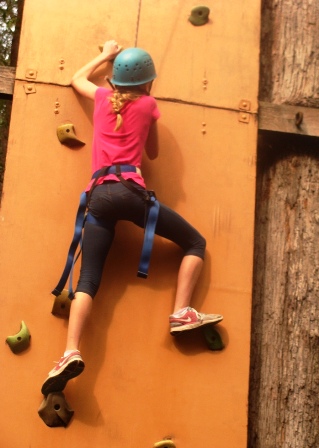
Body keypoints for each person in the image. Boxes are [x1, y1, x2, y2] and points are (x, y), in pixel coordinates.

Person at [41, 40, 223, 396]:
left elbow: (76, 78)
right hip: (130, 190)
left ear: (115, 80)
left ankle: (69, 351)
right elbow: (152, 154)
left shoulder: (100, 99)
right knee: (195, 242)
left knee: (89, 279)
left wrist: (105, 53)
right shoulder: (148, 104)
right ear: (148, 83)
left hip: (97, 196)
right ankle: (182, 312)